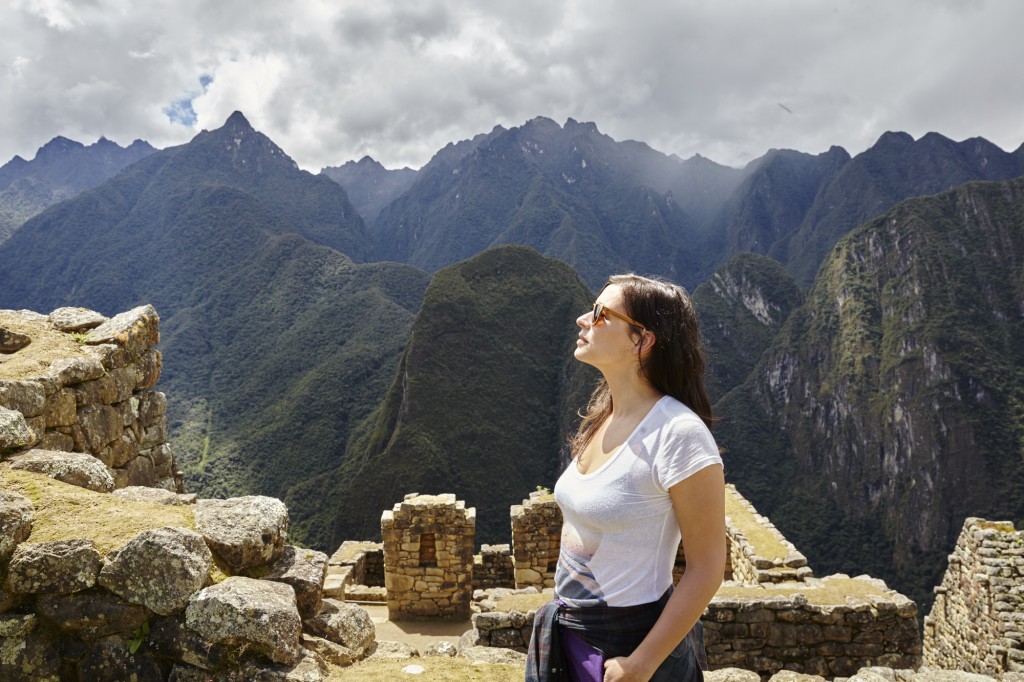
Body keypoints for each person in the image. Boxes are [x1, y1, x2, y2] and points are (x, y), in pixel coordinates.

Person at [526, 274, 726, 682]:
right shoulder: (604, 416)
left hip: (630, 644)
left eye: (601, 314)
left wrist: (642, 663)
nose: (584, 319)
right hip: (571, 633)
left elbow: (707, 566)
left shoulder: (679, 435)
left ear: (642, 340)